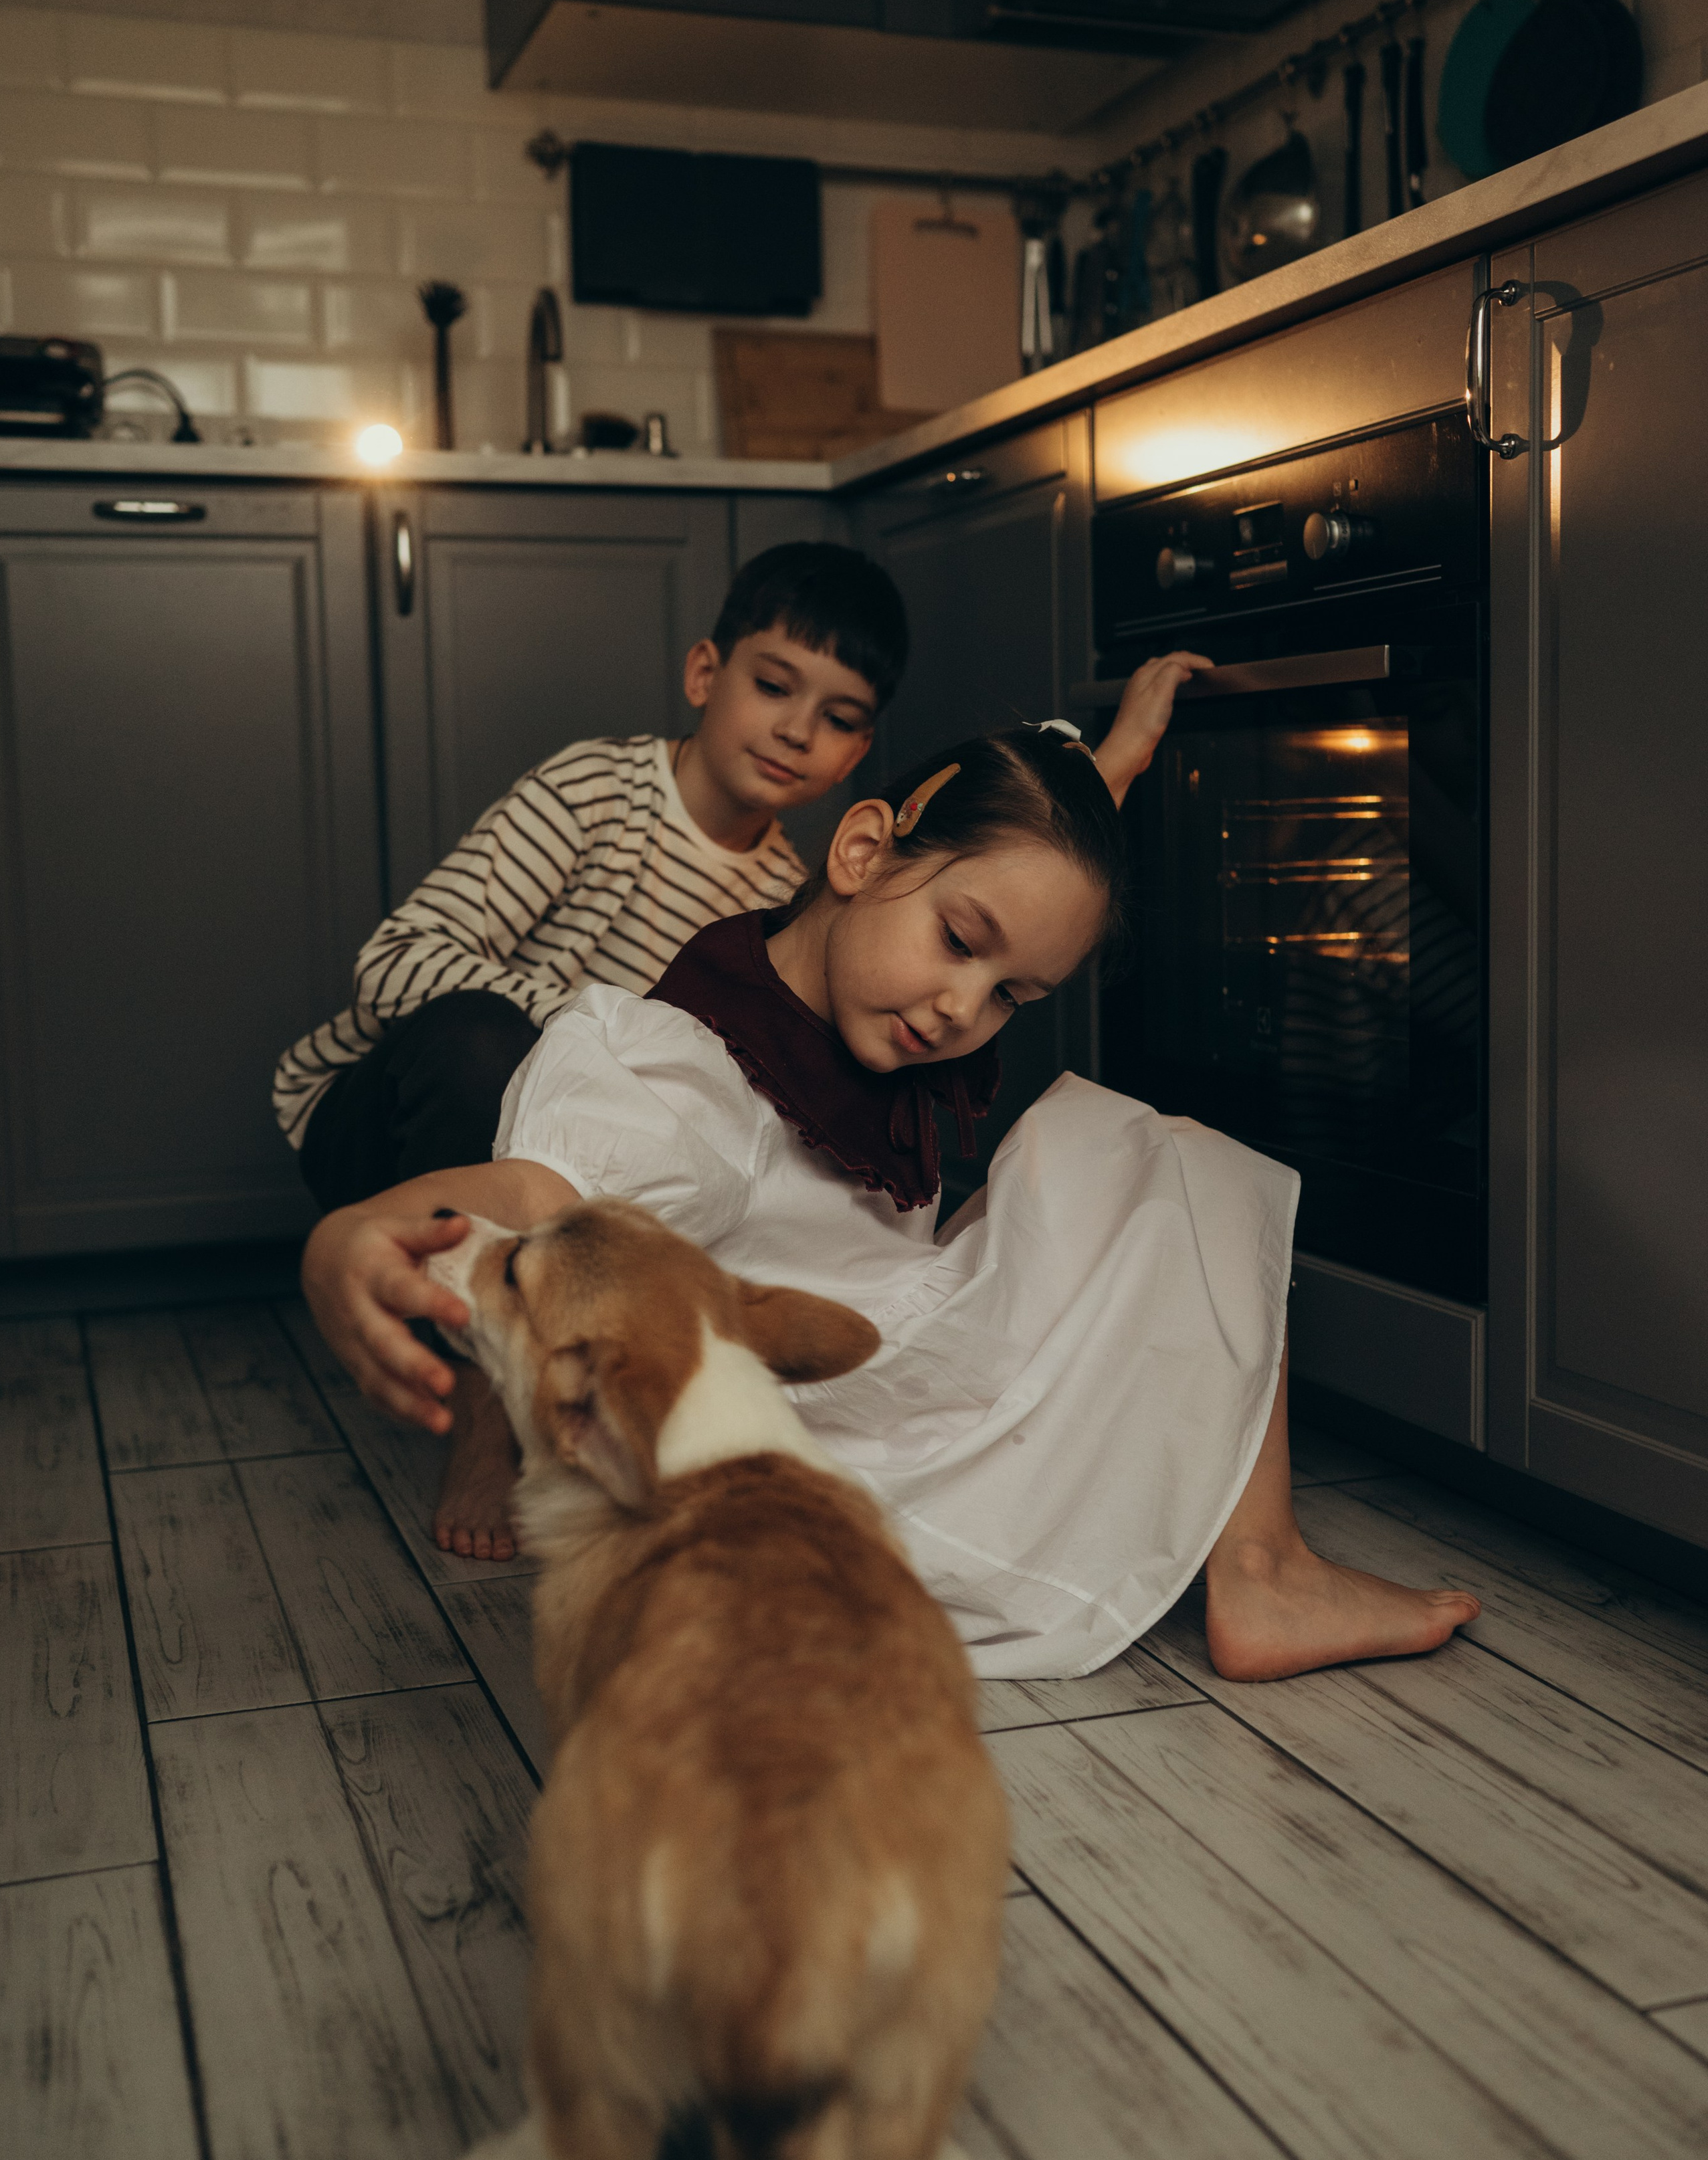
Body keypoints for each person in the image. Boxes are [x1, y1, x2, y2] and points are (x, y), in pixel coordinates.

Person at [302, 660, 1479, 1680]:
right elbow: (549, 1207)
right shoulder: (681, 1070)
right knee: (1155, 1161)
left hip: (893, 1384)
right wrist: (358, 1231)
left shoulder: (884, 955)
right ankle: (1260, 1569)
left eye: (1014, 994)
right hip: (850, 1445)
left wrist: (1109, 765)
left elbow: (1015, 853)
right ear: (860, 849)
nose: (966, 1007)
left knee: (1165, 1157)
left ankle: (1261, 1565)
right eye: (962, 945)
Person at [274, 539, 906, 1219]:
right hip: (386, 1126)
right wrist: (600, 1030)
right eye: (774, 687)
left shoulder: (785, 906)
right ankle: (433, 1314)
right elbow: (390, 965)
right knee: (482, 1040)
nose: (797, 730)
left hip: (565, 1159)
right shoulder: (596, 791)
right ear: (703, 674)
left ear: (856, 754)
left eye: (838, 720)